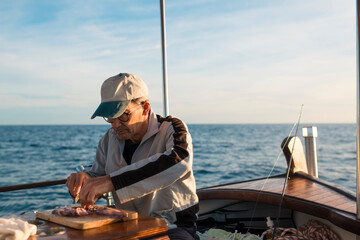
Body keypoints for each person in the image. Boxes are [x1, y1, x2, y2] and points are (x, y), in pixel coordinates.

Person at [66, 73, 199, 239]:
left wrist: (111, 182)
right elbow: (99, 175)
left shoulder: (172, 128)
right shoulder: (108, 139)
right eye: (110, 117)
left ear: (145, 107)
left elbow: (179, 161)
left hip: (173, 227)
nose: (115, 125)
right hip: (128, 228)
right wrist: (85, 181)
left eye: (123, 115)